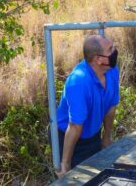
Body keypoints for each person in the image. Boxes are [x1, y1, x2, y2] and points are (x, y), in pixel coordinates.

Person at [54, 35, 119, 176]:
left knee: (98, 175)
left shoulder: (112, 70)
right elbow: (75, 127)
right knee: (76, 178)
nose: (115, 51)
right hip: (70, 138)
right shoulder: (79, 82)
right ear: (98, 59)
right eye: (110, 49)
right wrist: (65, 164)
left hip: (92, 134)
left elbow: (111, 107)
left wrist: (106, 138)